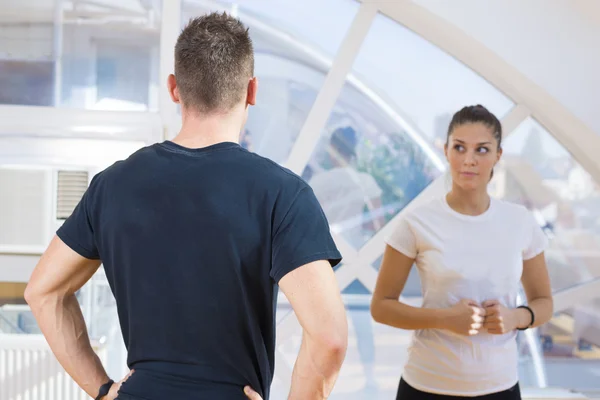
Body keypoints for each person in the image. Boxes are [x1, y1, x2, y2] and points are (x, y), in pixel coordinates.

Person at [24, 12, 347, 400]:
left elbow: (43, 292)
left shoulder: (111, 186)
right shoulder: (282, 193)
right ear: (252, 90)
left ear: (174, 88)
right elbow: (328, 339)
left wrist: (103, 390)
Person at [371, 105, 553, 399]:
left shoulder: (520, 222)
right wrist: (444, 319)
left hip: (500, 387)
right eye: (459, 148)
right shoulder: (416, 222)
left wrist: (515, 317)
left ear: (498, 155)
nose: (469, 160)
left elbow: (544, 303)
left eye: (482, 150)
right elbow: (381, 306)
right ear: (446, 151)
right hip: (426, 385)